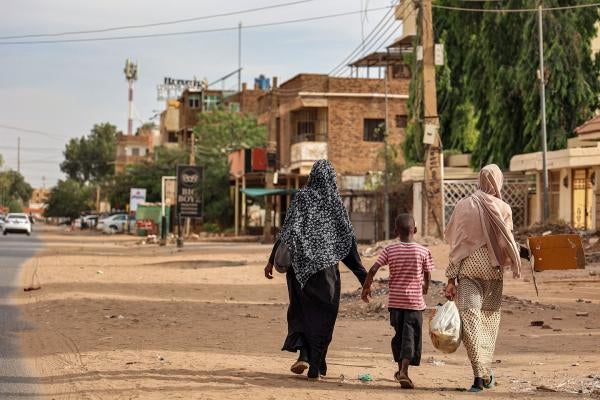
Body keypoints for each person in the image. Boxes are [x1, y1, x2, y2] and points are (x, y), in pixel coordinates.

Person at [264, 160, 367, 380]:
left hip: (300, 270)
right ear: (332, 179)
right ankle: (316, 362)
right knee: (324, 317)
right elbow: (347, 243)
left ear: (312, 176)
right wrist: (363, 277)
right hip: (326, 273)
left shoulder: (301, 197)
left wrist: (271, 260)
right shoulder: (335, 203)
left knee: (302, 312)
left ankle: (305, 355)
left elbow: (288, 230)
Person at [444, 164, 522, 392]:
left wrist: (451, 278)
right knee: (487, 324)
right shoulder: (504, 208)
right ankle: (482, 374)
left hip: (468, 273)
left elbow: (457, 244)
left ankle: (481, 374)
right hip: (494, 273)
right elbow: (506, 242)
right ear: (498, 182)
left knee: (470, 323)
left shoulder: (463, 206)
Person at [361, 214, 433, 389]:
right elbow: (428, 273)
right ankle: (404, 372)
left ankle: (400, 370)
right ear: (414, 230)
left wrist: (366, 287)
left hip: (395, 303)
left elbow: (373, 269)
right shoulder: (423, 251)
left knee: (400, 336)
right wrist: (425, 287)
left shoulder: (389, 250)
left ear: (395, 232)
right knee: (412, 336)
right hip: (414, 303)